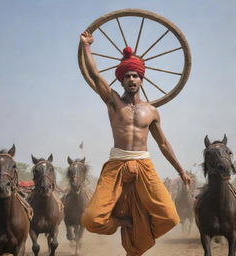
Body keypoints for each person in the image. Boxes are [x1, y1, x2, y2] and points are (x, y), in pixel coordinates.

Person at [80, 30, 191, 256]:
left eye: (135, 75)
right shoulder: (112, 101)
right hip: (117, 165)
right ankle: (124, 223)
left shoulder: (151, 111)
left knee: (170, 217)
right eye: (127, 76)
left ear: (142, 79)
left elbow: (163, 144)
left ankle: (139, 231)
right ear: (121, 80)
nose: (131, 79)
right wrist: (87, 46)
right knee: (91, 219)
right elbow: (94, 74)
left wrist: (180, 171)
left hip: (144, 165)